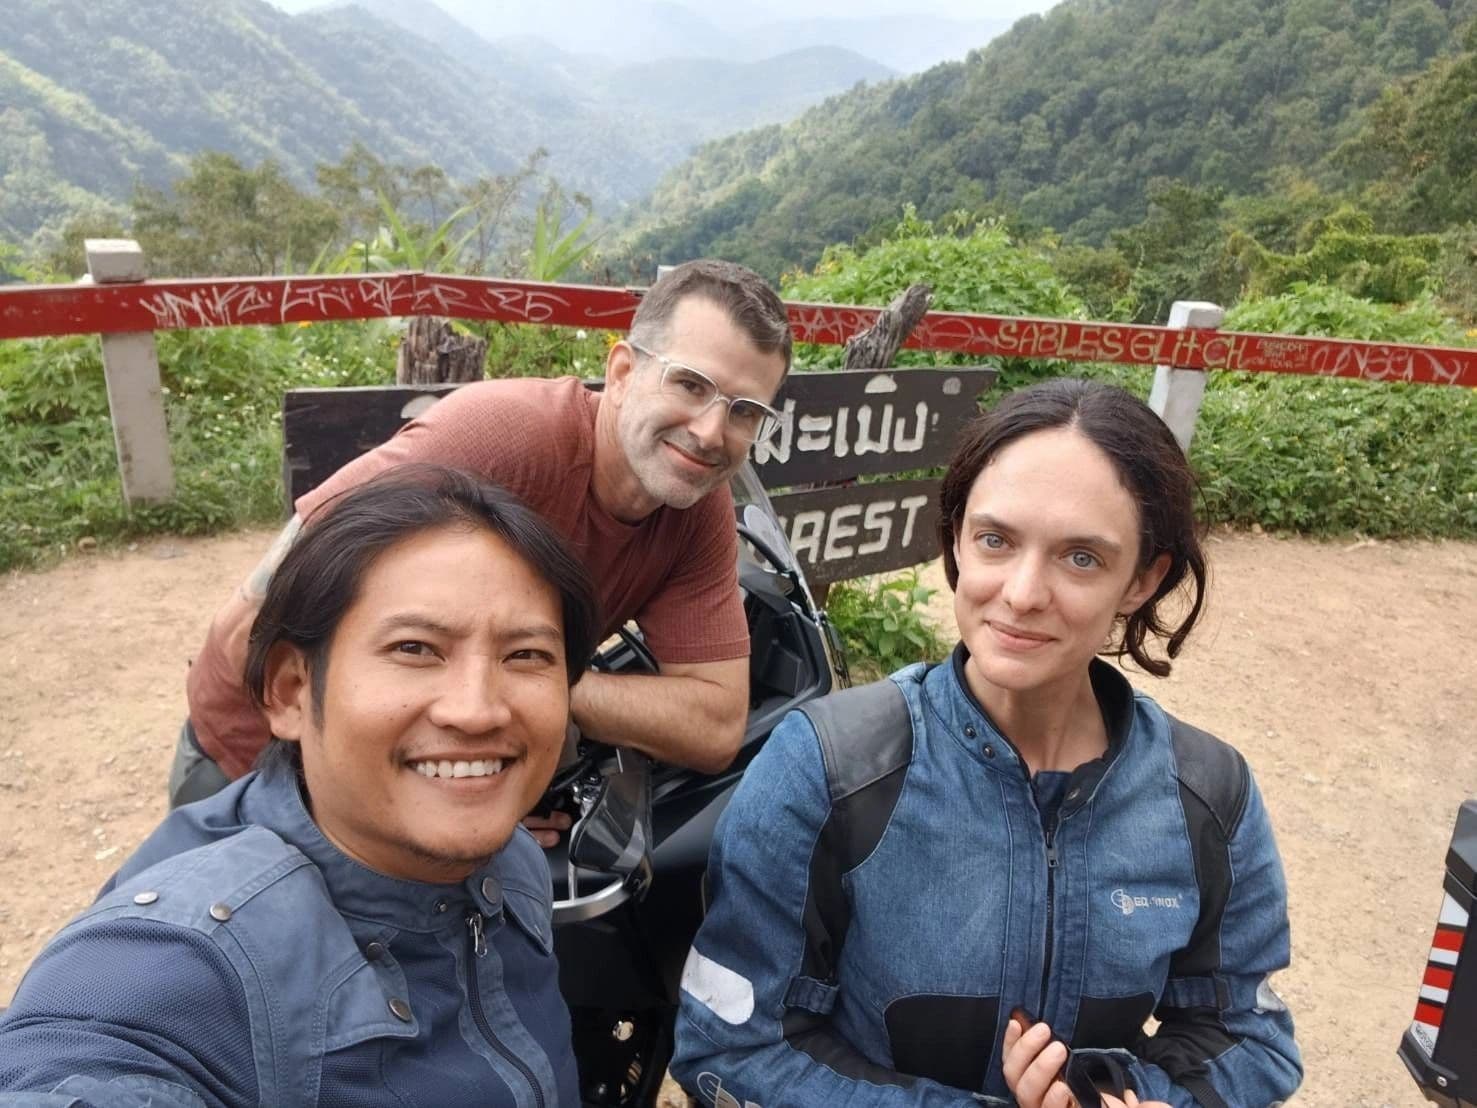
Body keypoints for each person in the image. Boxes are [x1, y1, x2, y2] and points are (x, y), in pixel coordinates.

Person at [671, 379, 1302, 1107]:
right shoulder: (827, 769)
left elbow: (1248, 1034)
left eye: (1081, 558)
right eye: (996, 541)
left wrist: (1126, 1095)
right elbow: (733, 1045)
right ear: (956, 541)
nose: (1022, 592)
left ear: (1142, 579)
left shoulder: (1207, 793)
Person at [0, 467, 600, 1107]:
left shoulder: (510, 859)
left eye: (526, 656)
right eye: (415, 648)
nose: (478, 711)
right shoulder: (179, 959)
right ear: (289, 690)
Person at [173, 259, 793, 837]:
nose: (712, 432)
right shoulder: (505, 439)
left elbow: (713, 723)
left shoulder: (694, 508)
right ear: (623, 372)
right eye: (689, 384)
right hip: (255, 753)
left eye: (744, 411)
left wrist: (504, 742)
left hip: (416, 754)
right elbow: (255, 621)